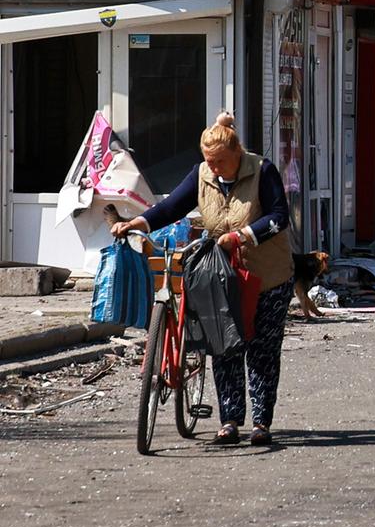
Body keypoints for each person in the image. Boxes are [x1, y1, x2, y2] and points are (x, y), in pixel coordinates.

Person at [111, 117, 293, 446]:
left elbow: (280, 216)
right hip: (222, 277)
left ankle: (261, 422)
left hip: (269, 276)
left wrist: (242, 236)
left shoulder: (262, 171)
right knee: (224, 346)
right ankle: (230, 421)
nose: (214, 168)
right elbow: (172, 207)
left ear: (238, 152)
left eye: (221, 161)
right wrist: (137, 222)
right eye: (209, 161)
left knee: (261, 350)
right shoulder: (202, 174)